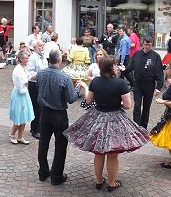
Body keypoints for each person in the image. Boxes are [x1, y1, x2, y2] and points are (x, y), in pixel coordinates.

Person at [65, 57, 149, 192]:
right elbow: (127, 105)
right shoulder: (120, 84)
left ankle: (99, 181)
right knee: (112, 153)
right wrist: (117, 102)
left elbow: (89, 100)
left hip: (97, 116)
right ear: (111, 68)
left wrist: (86, 87)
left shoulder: (95, 82)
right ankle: (111, 183)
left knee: (98, 152)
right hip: (115, 118)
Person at [35, 49, 84, 186]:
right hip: (59, 115)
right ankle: (56, 176)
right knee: (61, 144)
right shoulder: (64, 77)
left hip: (44, 113)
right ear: (59, 60)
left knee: (43, 142)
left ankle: (43, 172)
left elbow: (39, 88)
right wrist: (77, 87)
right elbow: (71, 99)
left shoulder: (40, 73)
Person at [123, 38, 164, 128]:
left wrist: (158, 87)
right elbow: (130, 66)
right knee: (137, 105)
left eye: (149, 45)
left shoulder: (155, 56)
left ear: (151, 45)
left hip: (149, 84)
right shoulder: (137, 54)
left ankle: (144, 126)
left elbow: (159, 72)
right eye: (146, 44)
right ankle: (136, 126)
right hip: (137, 83)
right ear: (143, 44)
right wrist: (124, 69)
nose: (147, 46)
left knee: (146, 106)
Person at [8, 51, 35, 145]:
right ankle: (12, 134)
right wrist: (31, 76)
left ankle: (20, 136)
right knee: (19, 116)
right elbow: (22, 82)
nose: (27, 60)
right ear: (21, 59)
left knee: (24, 116)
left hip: (24, 92)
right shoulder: (18, 70)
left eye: (28, 58)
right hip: (20, 94)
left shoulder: (24, 67)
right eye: (26, 58)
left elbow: (28, 76)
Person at [26, 42, 47, 139]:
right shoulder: (32, 58)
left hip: (42, 84)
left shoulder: (43, 56)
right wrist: (41, 74)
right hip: (34, 84)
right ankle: (35, 129)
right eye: (40, 46)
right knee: (36, 107)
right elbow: (29, 73)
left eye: (43, 45)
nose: (42, 47)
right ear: (34, 47)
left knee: (41, 107)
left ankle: (38, 127)